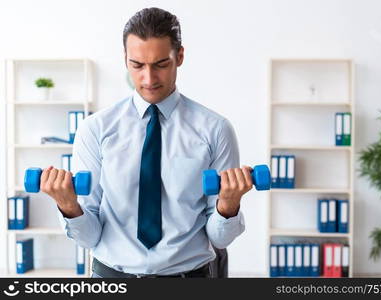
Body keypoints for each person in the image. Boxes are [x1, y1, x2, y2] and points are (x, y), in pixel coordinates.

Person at [40, 7, 253, 278]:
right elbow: (89, 237)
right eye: (137, 65)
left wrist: (228, 204)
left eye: (161, 65)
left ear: (180, 56)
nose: (148, 79)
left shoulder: (215, 129)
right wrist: (68, 205)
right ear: (125, 60)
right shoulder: (95, 129)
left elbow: (219, 239)